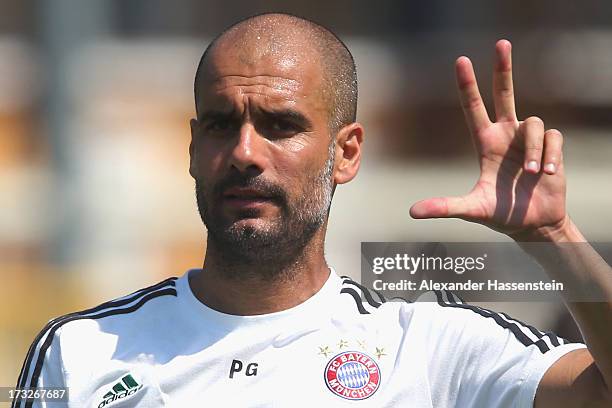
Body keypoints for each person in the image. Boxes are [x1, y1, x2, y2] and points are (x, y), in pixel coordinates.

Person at [13, 13, 611, 408]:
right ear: (194, 149)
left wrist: (553, 235)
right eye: (223, 125)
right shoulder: (82, 351)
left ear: (345, 153)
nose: (246, 153)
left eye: (280, 126)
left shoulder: (427, 347)